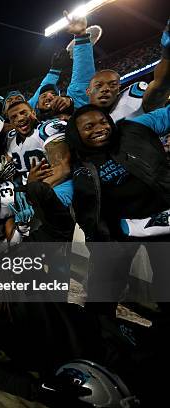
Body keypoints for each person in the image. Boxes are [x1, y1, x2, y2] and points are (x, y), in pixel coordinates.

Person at [66, 104, 170, 316]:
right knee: (105, 291)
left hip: (162, 219)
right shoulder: (73, 166)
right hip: (121, 232)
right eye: (89, 126)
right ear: (76, 134)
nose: (100, 128)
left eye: (103, 121)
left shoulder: (132, 130)